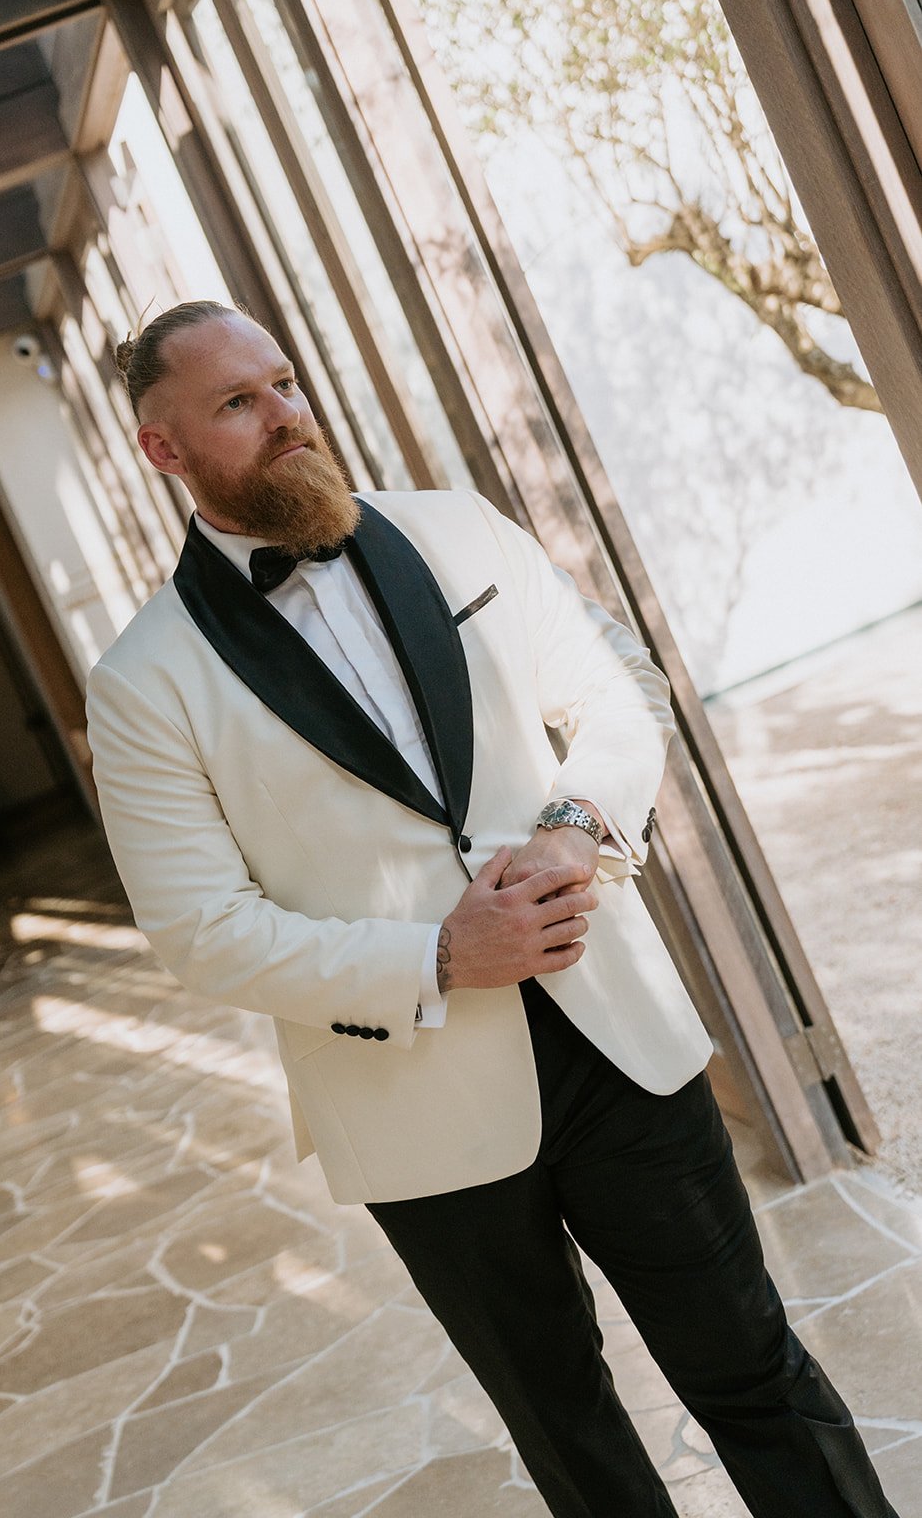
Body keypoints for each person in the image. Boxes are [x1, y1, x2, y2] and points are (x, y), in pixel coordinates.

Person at [86, 298, 898, 1518]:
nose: (288, 414)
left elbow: (615, 696)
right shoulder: (143, 681)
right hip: (415, 1104)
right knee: (570, 1438)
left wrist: (573, 825)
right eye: (239, 403)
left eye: (286, 382)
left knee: (752, 1368)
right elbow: (200, 929)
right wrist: (438, 955)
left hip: (613, 1034)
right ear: (166, 450)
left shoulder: (455, 529)